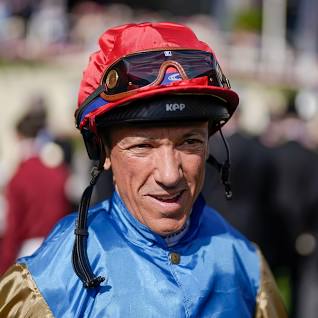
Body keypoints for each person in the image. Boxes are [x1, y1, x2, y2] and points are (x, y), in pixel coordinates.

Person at [0, 22, 287, 317]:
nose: (170, 175)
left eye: (190, 142)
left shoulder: (247, 265)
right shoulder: (48, 284)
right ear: (104, 151)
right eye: (143, 147)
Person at [0, 102, 72, 276]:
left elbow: (14, 225)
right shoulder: (58, 171)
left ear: (18, 137)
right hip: (59, 249)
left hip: (29, 253)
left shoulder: (19, 177)